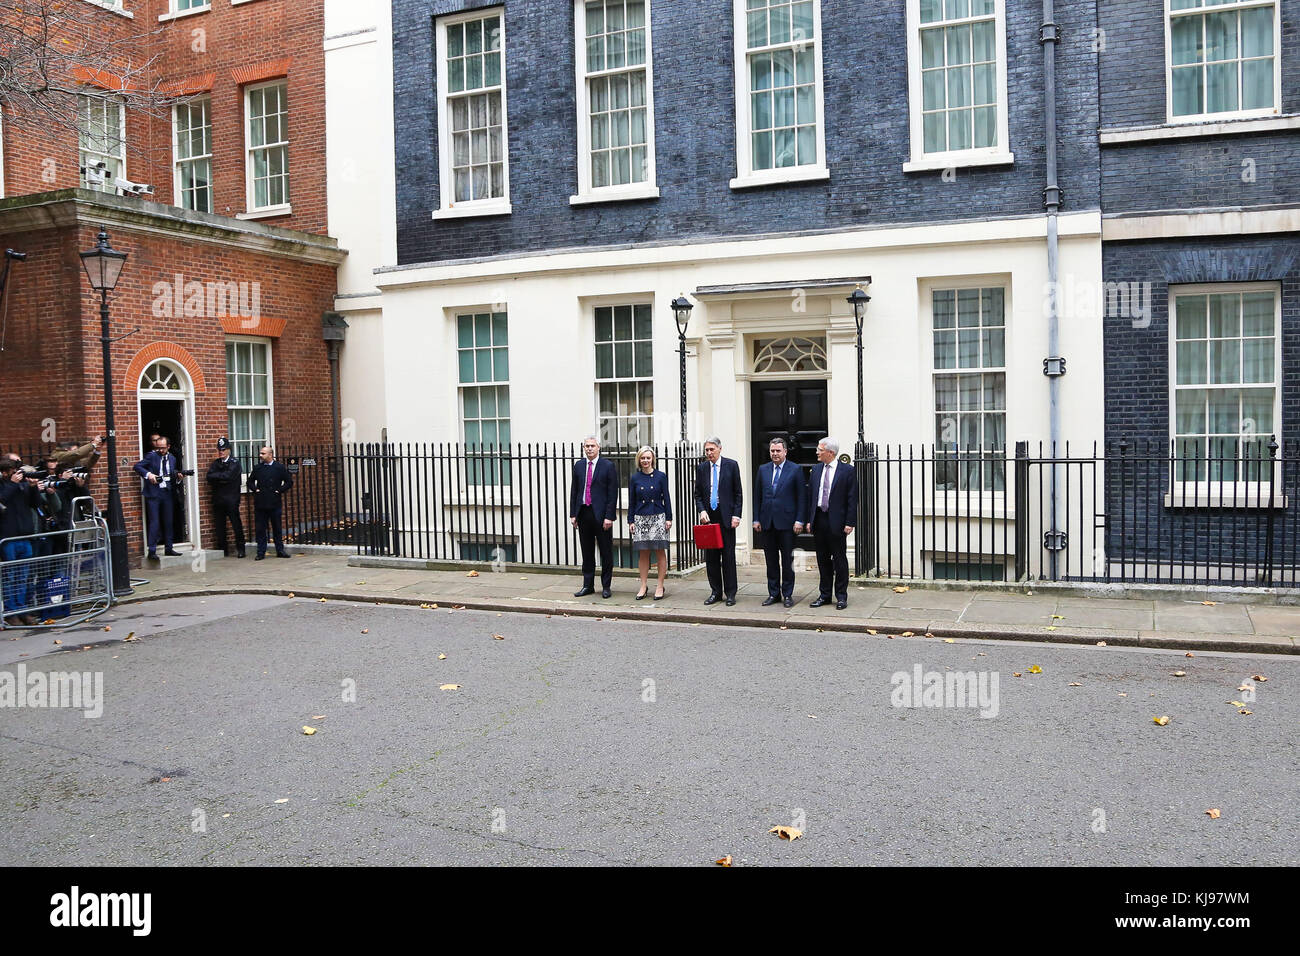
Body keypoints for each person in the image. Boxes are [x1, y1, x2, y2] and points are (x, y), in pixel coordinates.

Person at [801, 437, 858, 610]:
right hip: (819, 519)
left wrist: (850, 522)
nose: (817, 452)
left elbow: (852, 498)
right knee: (822, 559)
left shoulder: (847, 471)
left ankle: (841, 596)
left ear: (830, 453)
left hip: (838, 522)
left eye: (820, 449)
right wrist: (810, 520)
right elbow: (811, 497)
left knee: (839, 560)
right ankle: (824, 595)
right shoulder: (816, 470)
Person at [0, 458, 58, 626]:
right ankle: (11, 613)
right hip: (8, 538)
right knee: (10, 577)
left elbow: (36, 504)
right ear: (5, 472)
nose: (18, 474)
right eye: (13, 471)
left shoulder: (23, 485)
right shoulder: (5, 485)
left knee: (23, 576)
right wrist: (12, 484)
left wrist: (32, 487)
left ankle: (23, 610)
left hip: (25, 537)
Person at [753, 436, 804, 608]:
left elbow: (801, 497)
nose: (775, 454)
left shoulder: (795, 470)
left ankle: (787, 594)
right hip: (767, 522)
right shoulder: (763, 469)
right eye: (772, 451)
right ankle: (773, 593)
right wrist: (756, 518)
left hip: (788, 523)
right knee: (771, 561)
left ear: (785, 452)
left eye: (778, 451)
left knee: (787, 562)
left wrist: (799, 520)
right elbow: (757, 496)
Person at [694, 436, 743, 606]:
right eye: (706, 450)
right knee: (712, 558)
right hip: (709, 519)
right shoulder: (701, 468)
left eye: (711, 450)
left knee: (728, 557)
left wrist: (737, 515)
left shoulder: (731, 465)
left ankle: (730, 593)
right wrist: (701, 510)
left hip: (727, 518)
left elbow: (738, 493)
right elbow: (698, 494)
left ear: (719, 449)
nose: (709, 453)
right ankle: (716, 592)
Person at [568, 435, 618, 598]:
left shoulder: (608, 466)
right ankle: (587, 585)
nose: (589, 448)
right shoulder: (579, 466)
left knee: (605, 552)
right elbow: (574, 491)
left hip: (602, 515)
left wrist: (609, 516)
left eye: (592, 446)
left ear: (598, 448)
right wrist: (573, 513)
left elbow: (612, 493)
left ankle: (606, 586)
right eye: (586, 446)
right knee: (587, 551)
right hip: (584, 513)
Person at [627, 446, 672, 601]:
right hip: (641, 517)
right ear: (639, 460)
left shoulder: (661, 476)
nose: (645, 461)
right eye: (642, 458)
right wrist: (630, 520)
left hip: (658, 516)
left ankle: (660, 585)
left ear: (653, 458)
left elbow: (667, 497)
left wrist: (669, 518)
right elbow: (632, 501)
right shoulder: (635, 478)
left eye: (648, 457)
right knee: (643, 553)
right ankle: (643, 585)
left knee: (660, 552)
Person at [133, 436, 186, 559]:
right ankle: (152, 550)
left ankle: (169, 547)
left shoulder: (172, 458)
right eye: (158, 448)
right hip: (154, 492)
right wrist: (149, 475)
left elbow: (172, 475)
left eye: (163, 448)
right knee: (154, 521)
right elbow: (137, 467)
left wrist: (178, 478)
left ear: (168, 447)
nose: (160, 450)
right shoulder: (152, 456)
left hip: (167, 492)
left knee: (168, 520)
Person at [247, 445, 293, 559]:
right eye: (261, 453)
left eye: (263, 453)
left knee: (277, 527)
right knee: (260, 529)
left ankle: (280, 550)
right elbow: (250, 481)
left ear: (270, 455)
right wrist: (255, 490)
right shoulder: (258, 468)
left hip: (274, 502)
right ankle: (261, 552)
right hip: (261, 502)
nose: (260, 455)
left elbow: (289, 482)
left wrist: (279, 490)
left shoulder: (279, 467)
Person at [207, 437, 245, 558]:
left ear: (229, 450)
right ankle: (223, 549)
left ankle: (241, 548)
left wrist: (218, 477)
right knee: (219, 525)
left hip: (231, 499)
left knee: (236, 524)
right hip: (218, 499)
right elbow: (209, 477)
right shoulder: (216, 463)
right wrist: (220, 477)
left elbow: (228, 476)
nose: (221, 452)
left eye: (223, 450)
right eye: (219, 450)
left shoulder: (235, 463)